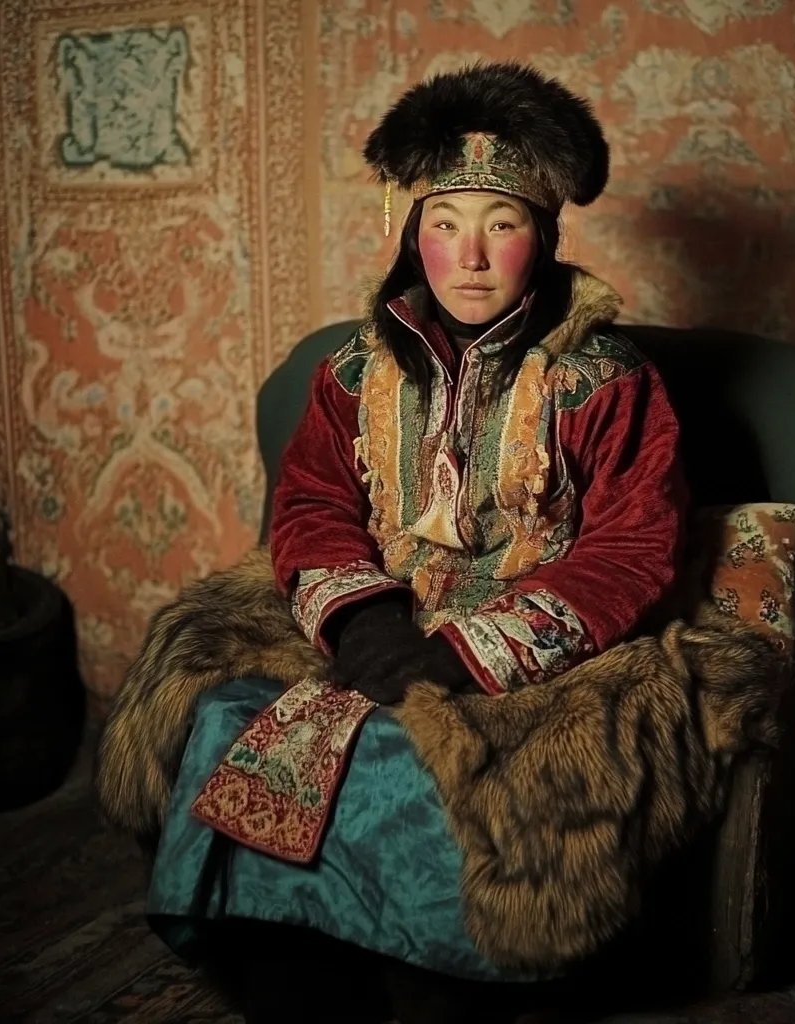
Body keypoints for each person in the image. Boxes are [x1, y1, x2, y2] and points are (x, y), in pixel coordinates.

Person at [137, 60, 688, 1023]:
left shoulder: (606, 378)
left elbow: (632, 548)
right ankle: (291, 964)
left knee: (434, 758)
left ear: (544, 237)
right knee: (230, 712)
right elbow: (310, 502)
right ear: (414, 236)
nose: (471, 256)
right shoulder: (354, 369)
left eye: (501, 226)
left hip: (533, 635)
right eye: (445, 227)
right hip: (380, 610)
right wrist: (364, 622)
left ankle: (438, 977)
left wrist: (470, 651)